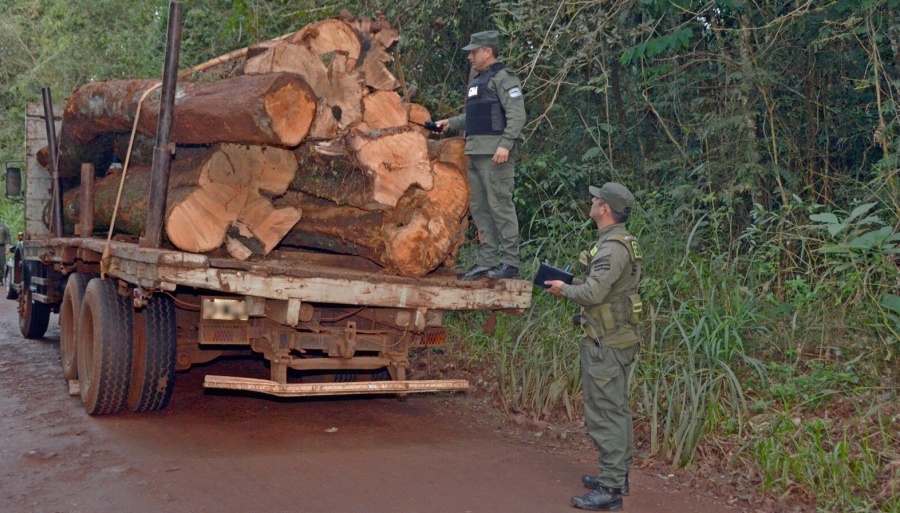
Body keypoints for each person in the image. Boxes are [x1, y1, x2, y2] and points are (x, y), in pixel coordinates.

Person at [544, 182, 643, 511]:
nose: (592, 200)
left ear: (605, 209)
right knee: (617, 409)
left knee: (604, 415)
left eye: (596, 198)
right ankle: (618, 476)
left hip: (607, 343)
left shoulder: (613, 248)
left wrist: (565, 290)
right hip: (618, 338)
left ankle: (610, 490)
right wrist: (571, 281)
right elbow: (606, 287)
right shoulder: (621, 242)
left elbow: (594, 294)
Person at [435, 30, 526, 280]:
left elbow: (517, 115)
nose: (470, 57)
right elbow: (473, 116)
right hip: (475, 153)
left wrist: (505, 144)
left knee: (500, 206)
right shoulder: (479, 81)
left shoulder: (504, 78)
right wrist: (450, 123)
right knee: (480, 208)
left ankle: (510, 262)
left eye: (474, 52)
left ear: (487, 51)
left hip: (496, 155)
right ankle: (486, 261)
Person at [0, 221, 9, 285]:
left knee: (1, 263)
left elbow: (8, 239)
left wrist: (7, 248)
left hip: (1, 247)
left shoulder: (4, 228)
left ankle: (0, 280)